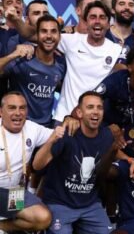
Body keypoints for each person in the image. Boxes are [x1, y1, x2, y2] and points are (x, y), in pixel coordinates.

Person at [33, 91, 120, 234]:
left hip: (90, 204)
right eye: (90, 107)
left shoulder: (107, 135)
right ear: (79, 112)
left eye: (99, 107)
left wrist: (131, 161)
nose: (95, 111)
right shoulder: (67, 133)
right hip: (60, 203)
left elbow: (116, 150)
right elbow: (37, 166)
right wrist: (52, 139)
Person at [0, 91, 78, 232]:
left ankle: (3, 226)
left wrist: (69, 119)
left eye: (22, 108)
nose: (18, 113)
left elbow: (58, 134)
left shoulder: (32, 128)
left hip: (14, 193)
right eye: (12, 108)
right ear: (1, 112)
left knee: (43, 218)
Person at [54, 1, 125, 122]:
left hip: (95, 121)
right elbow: (40, 38)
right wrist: (57, 24)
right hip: (65, 117)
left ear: (108, 24)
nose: (97, 21)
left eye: (102, 17)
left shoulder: (117, 50)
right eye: (93, 17)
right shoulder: (70, 41)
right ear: (86, 22)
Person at [0, 15, 65, 127]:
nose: (49, 36)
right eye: (44, 31)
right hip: (20, 125)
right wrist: (13, 55)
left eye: (53, 31)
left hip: (46, 127)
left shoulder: (61, 64)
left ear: (59, 36)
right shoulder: (23, 58)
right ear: (37, 36)